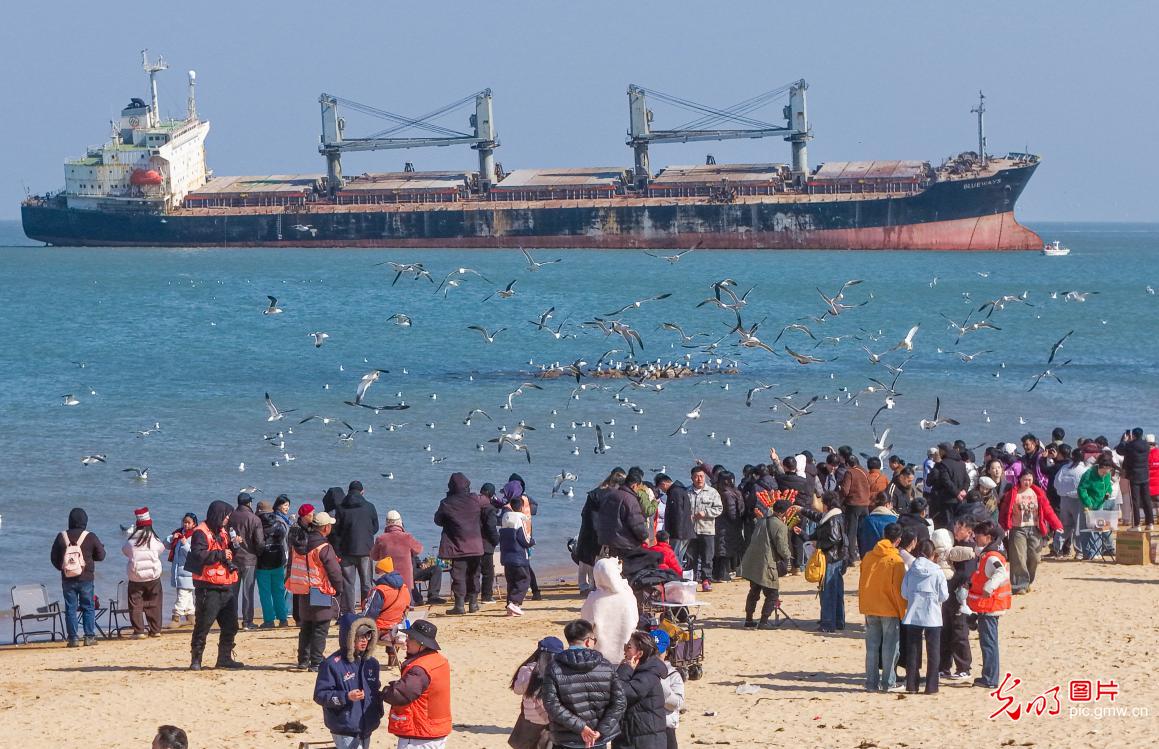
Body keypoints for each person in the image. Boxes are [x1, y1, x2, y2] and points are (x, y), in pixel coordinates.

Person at [541, 619, 627, 749]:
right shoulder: (606, 666)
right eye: (594, 639)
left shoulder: (554, 667)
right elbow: (619, 702)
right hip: (597, 739)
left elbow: (551, 704)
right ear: (588, 641)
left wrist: (581, 727)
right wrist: (600, 730)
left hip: (566, 739)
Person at [185, 500, 243, 670]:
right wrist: (220, 553)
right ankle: (196, 660)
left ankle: (224, 658)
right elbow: (198, 555)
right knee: (203, 625)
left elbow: (228, 554)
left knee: (231, 625)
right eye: (226, 515)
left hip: (226, 585)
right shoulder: (200, 533)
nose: (227, 519)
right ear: (218, 515)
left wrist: (234, 546)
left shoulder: (222, 531)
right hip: (207, 587)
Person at [314, 613, 384, 749]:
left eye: (367, 636)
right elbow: (320, 695)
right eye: (360, 637)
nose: (364, 640)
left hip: (367, 725)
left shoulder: (372, 663)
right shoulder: (331, 664)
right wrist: (346, 697)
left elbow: (374, 691)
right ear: (349, 637)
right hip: (345, 726)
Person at [287, 510, 344, 671]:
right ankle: (316, 661)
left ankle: (303, 661)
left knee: (306, 626)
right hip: (320, 589)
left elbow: (290, 566)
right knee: (320, 626)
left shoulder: (300, 543)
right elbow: (334, 572)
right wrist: (339, 589)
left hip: (302, 589)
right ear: (325, 528)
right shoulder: (324, 547)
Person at [383, 619, 452, 748]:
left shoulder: (420, 668)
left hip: (420, 734)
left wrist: (385, 691)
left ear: (421, 643)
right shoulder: (439, 660)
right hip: (436, 729)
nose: (406, 641)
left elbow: (400, 695)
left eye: (410, 638)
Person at [858, 523, 906, 692]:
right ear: (898, 540)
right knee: (890, 647)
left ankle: (871, 683)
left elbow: (863, 581)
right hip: (889, 608)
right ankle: (888, 682)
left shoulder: (868, 556)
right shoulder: (896, 561)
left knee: (871, 647)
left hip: (870, 606)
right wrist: (903, 611)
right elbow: (898, 590)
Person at [998, 469, 1062, 594]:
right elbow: (1004, 511)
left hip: (1034, 528)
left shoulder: (1037, 492)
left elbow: (1047, 509)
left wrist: (1056, 524)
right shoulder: (1012, 493)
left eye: (1029, 480)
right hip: (1017, 529)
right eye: (1024, 480)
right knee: (1018, 557)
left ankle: (1028, 581)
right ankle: (1019, 585)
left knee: (1034, 557)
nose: (1027, 482)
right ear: (1020, 479)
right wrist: (1004, 527)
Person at [50, 507, 106, 647]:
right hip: (86, 578)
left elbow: (54, 557)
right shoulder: (90, 536)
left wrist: (63, 568)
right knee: (88, 606)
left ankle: (73, 639)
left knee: (70, 608)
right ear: (85, 521)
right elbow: (101, 555)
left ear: (70, 520)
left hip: (67, 579)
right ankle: (89, 637)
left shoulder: (61, 536)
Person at [433, 472, 487, 615]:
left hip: (457, 546)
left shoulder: (446, 503)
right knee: (474, 574)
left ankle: (460, 605)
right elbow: (487, 502)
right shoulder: (475, 499)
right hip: (475, 546)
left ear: (451, 486)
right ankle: (474, 604)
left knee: (459, 575)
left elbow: (437, 520)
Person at [901, 539, 949, 694]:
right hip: (932, 615)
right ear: (932, 554)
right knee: (933, 652)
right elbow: (944, 596)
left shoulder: (911, 569)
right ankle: (931, 686)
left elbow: (904, 593)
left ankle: (912, 685)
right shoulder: (937, 571)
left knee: (913, 650)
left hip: (913, 614)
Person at [966, 521, 1010, 689]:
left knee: (989, 643)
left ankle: (990, 678)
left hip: (990, 607)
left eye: (978, 535)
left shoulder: (991, 557)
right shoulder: (989, 553)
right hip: (988, 607)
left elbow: (1001, 572)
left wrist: (989, 587)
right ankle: (989, 676)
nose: (975, 537)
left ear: (989, 538)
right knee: (988, 642)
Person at [739, 499, 792, 629]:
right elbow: (782, 548)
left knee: (754, 591)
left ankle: (749, 619)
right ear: (784, 512)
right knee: (772, 594)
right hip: (767, 564)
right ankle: (763, 621)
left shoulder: (761, 521)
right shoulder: (781, 526)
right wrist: (789, 557)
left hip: (753, 562)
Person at [371, 510, 441, 605]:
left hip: (388, 576)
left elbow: (373, 556)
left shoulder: (381, 538)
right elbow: (419, 549)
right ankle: (420, 600)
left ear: (387, 523)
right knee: (407, 600)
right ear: (400, 523)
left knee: (389, 599)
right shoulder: (407, 537)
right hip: (406, 576)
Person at [800, 492, 846, 632]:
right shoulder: (834, 515)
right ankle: (838, 621)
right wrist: (803, 532)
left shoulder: (832, 518)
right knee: (836, 591)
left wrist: (817, 544)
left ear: (827, 504)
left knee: (828, 591)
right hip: (836, 557)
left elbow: (833, 538)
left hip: (830, 558)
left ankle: (828, 623)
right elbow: (818, 517)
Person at [509, 636, 566, 749]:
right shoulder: (560, 672)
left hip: (530, 717)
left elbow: (517, 690)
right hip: (551, 719)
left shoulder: (527, 670)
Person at [615, 631, 668, 749]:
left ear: (639, 654)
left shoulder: (648, 674)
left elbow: (621, 693)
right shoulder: (639, 670)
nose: (624, 650)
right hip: (633, 737)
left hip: (646, 742)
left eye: (628, 647)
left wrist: (625, 668)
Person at [580, 558, 638, 665]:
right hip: (626, 656)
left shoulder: (594, 599)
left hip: (600, 658)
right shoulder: (627, 595)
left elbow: (585, 625)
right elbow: (635, 622)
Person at [334, 480, 380, 615]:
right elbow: (375, 527)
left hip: (346, 550)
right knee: (366, 583)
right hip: (365, 550)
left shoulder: (341, 508)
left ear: (348, 491)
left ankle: (349, 611)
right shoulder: (370, 506)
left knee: (348, 583)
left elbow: (337, 530)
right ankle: (366, 610)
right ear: (362, 491)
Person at [938, 521, 976, 681]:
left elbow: (967, 574)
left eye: (960, 528)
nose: (956, 530)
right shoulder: (951, 546)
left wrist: (952, 582)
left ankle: (964, 667)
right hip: (947, 595)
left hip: (961, 596)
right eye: (955, 527)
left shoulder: (970, 550)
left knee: (960, 631)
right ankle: (944, 667)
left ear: (969, 531)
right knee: (945, 631)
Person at [123, 507, 166, 638]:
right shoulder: (155, 540)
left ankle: (139, 631)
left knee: (135, 603)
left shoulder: (131, 542)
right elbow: (161, 549)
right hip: (153, 576)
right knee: (155, 602)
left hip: (136, 577)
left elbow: (125, 551)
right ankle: (155, 630)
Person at [362, 557, 410, 667]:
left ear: (382, 572)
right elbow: (406, 609)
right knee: (392, 623)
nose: (375, 574)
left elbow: (370, 613)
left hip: (380, 629)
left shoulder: (380, 590)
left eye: (377, 571)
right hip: (396, 627)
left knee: (358, 627)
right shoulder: (404, 588)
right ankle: (392, 660)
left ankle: (362, 659)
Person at [229, 492, 264, 631]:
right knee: (247, 592)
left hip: (234, 558)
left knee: (233, 592)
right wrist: (259, 554)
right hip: (250, 559)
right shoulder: (254, 519)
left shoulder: (231, 517)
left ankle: (231, 621)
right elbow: (260, 542)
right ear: (249, 503)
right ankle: (247, 622)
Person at [596, 473, 649, 558]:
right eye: (639, 487)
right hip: (624, 544)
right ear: (634, 485)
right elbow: (636, 523)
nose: (639, 490)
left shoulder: (609, 495)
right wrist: (644, 537)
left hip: (606, 541)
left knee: (610, 568)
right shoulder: (630, 499)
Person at [255, 500, 289, 628]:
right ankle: (283, 619)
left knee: (265, 593)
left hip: (263, 563)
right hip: (278, 561)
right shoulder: (279, 523)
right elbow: (283, 539)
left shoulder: (257, 524)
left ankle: (269, 620)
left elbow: (258, 544)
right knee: (279, 591)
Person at [500, 495, 535, 616]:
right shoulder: (521, 519)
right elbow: (524, 539)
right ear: (521, 507)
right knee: (524, 580)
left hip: (506, 556)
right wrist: (532, 542)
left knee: (511, 581)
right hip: (519, 556)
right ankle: (514, 603)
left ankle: (511, 606)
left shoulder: (505, 518)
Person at [688, 466, 722, 588]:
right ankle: (691, 580)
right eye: (696, 476)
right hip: (691, 530)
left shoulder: (712, 492)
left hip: (707, 529)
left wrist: (705, 513)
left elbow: (719, 509)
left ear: (705, 477)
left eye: (701, 476)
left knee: (707, 557)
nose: (699, 479)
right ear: (692, 477)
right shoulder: (687, 492)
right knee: (691, 557)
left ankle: (706, 580)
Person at [1051, 448, 1089, 557]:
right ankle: (1079, 551)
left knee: (1064, 525)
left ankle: (1056, 547)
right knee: (1078, 526)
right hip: (1078, 500)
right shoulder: (1084, 470)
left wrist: (1062, 492)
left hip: (1064, 500)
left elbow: (1056, 483)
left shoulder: (1065, 468)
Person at [650, 631, 684, 749]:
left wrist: (659, 683)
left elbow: (677, 703)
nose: (654, 657)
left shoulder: (673, 675)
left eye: (658, 653)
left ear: (667, 652)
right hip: (646, 730)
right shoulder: (640, 672)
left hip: (666, 728)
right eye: (651, 652)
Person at [1116, 428, 1154, 530]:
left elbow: (1119, 451)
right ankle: (1150, 523)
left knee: (1135, 500)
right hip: (1145, 475)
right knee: (1146, 499)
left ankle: (1136, 525)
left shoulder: (1130, 445)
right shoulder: (1146, 445)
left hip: (1134, 476)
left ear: (1133, 435)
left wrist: (1124, 440)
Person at [654, 474, 693, 570]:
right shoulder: (679, 490)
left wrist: (677, 534)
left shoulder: (675, 492)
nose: (662, 491)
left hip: (678, 532)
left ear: (663, 484)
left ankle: (677, 577)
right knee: (678, 557)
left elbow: (678, 513)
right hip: (683, 531)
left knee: (674, 557)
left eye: (661, 488)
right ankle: (679, 576)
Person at [166, 513, 197, 626]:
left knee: (182, 594)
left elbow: (193, 554)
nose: (186, 524)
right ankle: (191, 616)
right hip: (178, 570)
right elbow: (165, 545)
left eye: (189, 522)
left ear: (194, 524)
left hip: (188, 571)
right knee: (187, 594)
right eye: (185, 522)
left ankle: (176, 617)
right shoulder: (178, 533)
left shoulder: (194, 536)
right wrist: (171, 538)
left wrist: (184, 544)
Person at [840, 456, 871, 563]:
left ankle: (851, 558)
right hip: (865, 505)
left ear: (848, 464)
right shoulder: (865, 471)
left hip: (853, 505)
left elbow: (845, 490)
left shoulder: (850, 473)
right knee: (862, 532)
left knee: (851, 532)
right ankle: (864, 556)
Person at [480, 482, 504, 604]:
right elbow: (491, 527)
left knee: (472, 572)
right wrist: (496, 540)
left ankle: (469, 596)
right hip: (485, 544)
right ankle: (486, 596)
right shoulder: (489, 509)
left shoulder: (474, 505)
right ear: (491, 494)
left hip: (472, 543)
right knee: (488, 572)